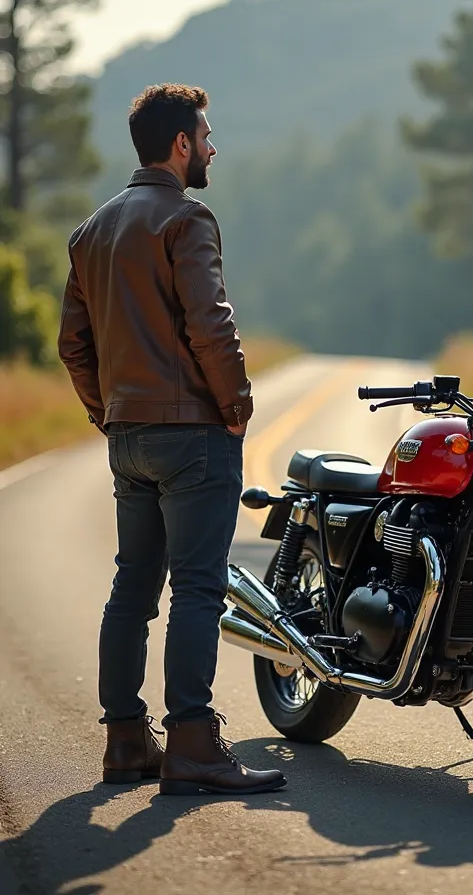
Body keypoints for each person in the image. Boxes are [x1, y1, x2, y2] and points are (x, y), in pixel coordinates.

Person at [58, 83, 286, 796]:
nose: (213, 146)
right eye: (206, 135)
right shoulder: (188, 218)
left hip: (128, 434)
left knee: (132, 588)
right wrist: (238, 404)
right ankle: (192, 743)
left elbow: (73, 344)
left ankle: (126, 740)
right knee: (197, 587)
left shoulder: (92, 230)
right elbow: (210, 323)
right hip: (192, 434)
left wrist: (109, 412)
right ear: (180, 144)